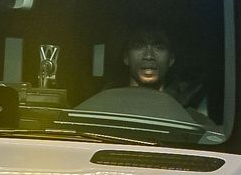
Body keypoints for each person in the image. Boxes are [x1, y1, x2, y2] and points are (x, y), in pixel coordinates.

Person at [76, 24, 210, 124]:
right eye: (139, 46)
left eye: (159, 47)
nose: (148, 56)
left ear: (171, 59)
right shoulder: (99, 107)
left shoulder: (190, 119)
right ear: (126, 58)